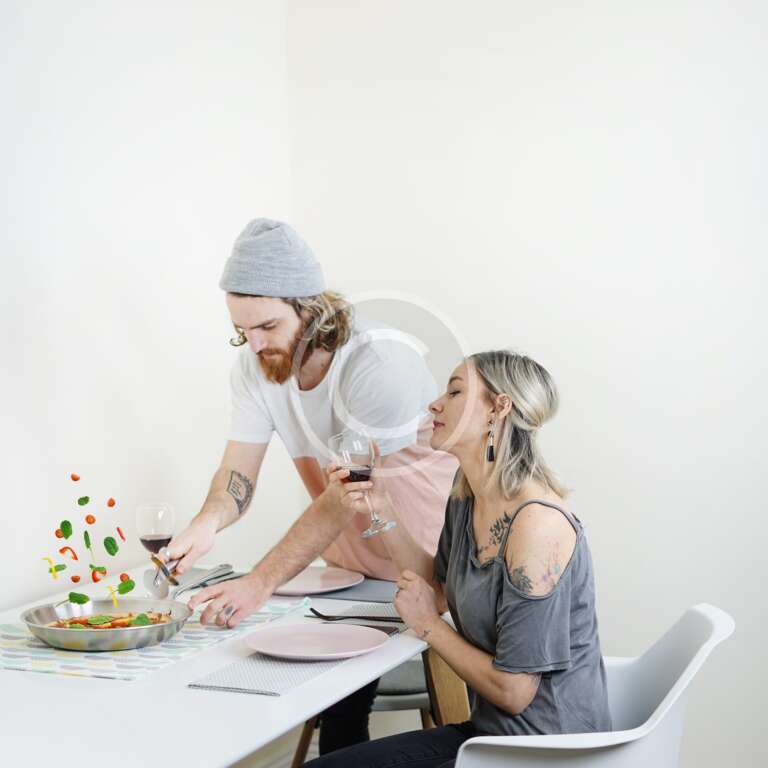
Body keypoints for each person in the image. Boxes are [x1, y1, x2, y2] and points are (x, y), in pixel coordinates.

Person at [167, 218, 458, 754]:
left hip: (426, 563)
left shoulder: (377, 362)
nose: (254, 344)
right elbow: (238, 472)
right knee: (337, 707)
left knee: (357, 709)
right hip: (350, 572)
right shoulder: (255, 366)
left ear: (312, 308)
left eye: (268, 326)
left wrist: (258, 583)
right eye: (243, 330)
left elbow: (348, 496)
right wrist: (207, 523)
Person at [307, 350, 612, 767]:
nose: (434, 405)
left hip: (547, 752)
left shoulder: (537, 525)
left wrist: (429, 627)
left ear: (498, 408)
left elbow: (514, 691)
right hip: (490, 737)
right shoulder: (468, 492)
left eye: (454, 392)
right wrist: (381, 504)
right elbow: (437, 590)